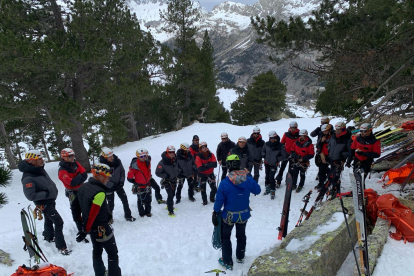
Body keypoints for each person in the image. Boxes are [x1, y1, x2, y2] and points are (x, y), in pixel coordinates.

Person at [212, 154, 261, 270]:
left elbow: (219, 200)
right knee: (241, 235)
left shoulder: (225, 182)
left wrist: (215, 212)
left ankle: (228, 261)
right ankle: (240, 256)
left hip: (229, 216)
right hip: (243, 214)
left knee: (225, 237)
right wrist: (248, 174)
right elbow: (257, 190)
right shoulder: (248, 180)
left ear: (228, 166)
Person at [19, 150, 71, 255]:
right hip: (43, 203)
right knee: (58, 221)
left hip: (50, 200)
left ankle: (48, 236)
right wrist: (47, 193)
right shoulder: (28, 177)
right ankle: (61, 247)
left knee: (48, 219)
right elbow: (30, 195)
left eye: (42, 158)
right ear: (31, 161)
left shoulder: (39, 169)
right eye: (39, 159)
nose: (42, 160)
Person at [78, 164, 122, 276]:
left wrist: (83, 227)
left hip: (92, 228)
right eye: (107, 176)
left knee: (97, 252)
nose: (108, 179)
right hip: (101, 227)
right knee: (112, 253)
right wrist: (85, 229)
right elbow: (93, 213)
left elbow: (76, 207)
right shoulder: (100, 193)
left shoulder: (84, 186)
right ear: (100, 177)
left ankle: (100, 273)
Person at [57, 148, 88, 242]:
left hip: (82, 190)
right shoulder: (62, 170)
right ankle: (80, 229)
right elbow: (71, 182)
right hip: (72, 192)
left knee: (86, 207)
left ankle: (87, 226)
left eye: (73, 155)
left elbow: (85, 174)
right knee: (76, 210)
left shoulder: (75, 163)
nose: (72, 157)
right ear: (64, 157)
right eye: (70, 156)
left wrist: (78, 178)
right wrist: (79, 177)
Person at [99, 147, 135, 222]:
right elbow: (102, 178)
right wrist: (112, 185)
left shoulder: (117, 161)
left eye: (112, 155)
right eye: (109, 156)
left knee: (124, 200)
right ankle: (109, 218)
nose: (112, 157)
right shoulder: (101, 166)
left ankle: (128, 215)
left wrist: (121, 182)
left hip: (119, 185)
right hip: (109, 187)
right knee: (110, 204)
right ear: (105, 157)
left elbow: (122, 172)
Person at [127, 148, 154, 218]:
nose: (143, 158)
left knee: (149, 199)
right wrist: (136, 183)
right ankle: (141, 213)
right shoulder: (134, 166)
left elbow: (149, 158)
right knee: (140, 200)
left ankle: (148, 212)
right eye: (141, 156)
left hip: (148, 184)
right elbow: (129, 178)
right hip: (140, 186)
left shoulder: (147, 161)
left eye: (144, 156)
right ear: (138, 157)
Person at [327, 121, 352, 197]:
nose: (337, 131)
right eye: (336, 129)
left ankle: (336, 190)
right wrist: (329, 151)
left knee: (336, 176)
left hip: (339, 160)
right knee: (332, 175)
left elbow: (350, 151)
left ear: (343, 129)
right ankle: (333, 189)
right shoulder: (334, 136)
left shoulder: (347, 139)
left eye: (339, 129)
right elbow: (330, 145)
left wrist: (343, 156)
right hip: (332, 158)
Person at [155, 146, 179, 217]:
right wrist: (166, 176)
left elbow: (178, 167)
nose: (172, 154)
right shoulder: (162, 162)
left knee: (173, 194)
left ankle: (169, 205)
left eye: (173, 152)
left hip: (174, 180)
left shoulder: (175, 160)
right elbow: (157, 172)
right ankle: (170, 211)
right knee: (170, 195)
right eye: (170, 152)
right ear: (167, 152)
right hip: (167, 181)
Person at [261, 131, 285, 199]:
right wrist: (264, 155)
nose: (272, 139)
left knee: (271, 177)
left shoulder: (280, 145)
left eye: (273, 138)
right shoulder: (267, 144)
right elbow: (263, 150)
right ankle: (267, 188)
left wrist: (277, 159)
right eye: (271, 138)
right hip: (267, 163)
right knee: (267, 176)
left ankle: (272, 190)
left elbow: (284, 155)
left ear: (276, 137)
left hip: (274, 164)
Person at [276, 121, 300, 186]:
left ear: (296, 127)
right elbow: (282, 143)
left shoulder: (299, 134)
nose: (292, 129)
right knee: (282, 168)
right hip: (286, 153)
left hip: (294, 154)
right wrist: (282, 151)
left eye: (294, 128)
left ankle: (288, 181)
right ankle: (278, 180)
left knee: (291, 169)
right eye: (291, 127)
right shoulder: (286, 134)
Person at [315, 124, 333, 190]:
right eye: (323, 131)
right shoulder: (322, 136)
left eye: (326, 131)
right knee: (321, 170)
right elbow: (318, 146)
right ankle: (321, 183)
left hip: (331, 156)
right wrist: (321, 141)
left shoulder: (333, 137)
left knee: (331, 170)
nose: (324, 132)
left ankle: (332, 182)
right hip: (323, 155)